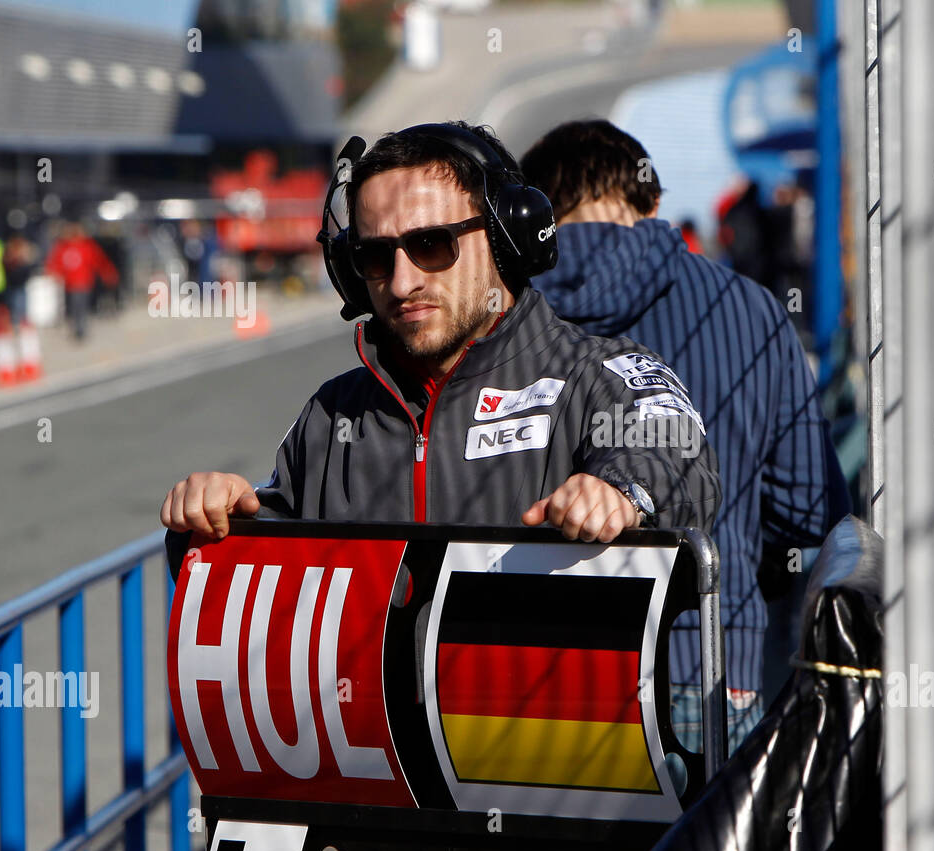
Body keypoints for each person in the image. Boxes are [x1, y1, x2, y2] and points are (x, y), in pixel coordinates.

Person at [160, 121, 720, 582]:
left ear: (507, 240)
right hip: (371, 719)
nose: (401, 283)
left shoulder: (600, 374)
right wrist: (222, 519)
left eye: (431, 245)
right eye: (376, 257)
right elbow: (276, 571)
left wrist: (622, 491)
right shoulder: (332, 416)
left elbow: (681, 456)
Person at [521, 119, 852, 752]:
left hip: (544, 682)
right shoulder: (749, 308)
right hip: (709, 667)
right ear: (650, 202)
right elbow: (810, 507)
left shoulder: (505, 315)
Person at [44, 221, 118, 341]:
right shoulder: (63, 247)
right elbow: (56, 263)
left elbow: (98, 261)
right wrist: (53, 273)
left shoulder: (87, 246)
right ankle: (76, 328)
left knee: (81, 306)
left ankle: (81, 329)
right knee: (73, 307)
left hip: (84, 283)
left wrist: (107, 273)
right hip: (70, 284)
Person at [0, 232, 43, 384]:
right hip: (6, 290)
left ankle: (21, 367)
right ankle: (10, 369)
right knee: (5, 332)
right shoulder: (0, 245)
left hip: (7, 290)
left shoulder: (0, 245)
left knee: (16, 328)